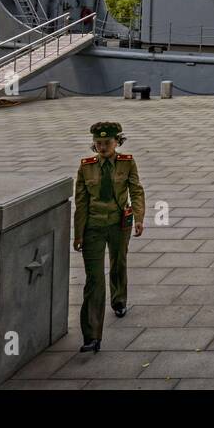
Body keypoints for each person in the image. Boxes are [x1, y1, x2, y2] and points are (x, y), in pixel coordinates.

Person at [73, 120, 145, 352]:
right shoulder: (86, 167)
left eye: (107, 142)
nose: (103, 147)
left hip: (118, 223)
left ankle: (119, 299)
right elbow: (81, 202)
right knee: (94, 280)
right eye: (98, 143)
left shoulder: (127, 163)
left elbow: (136, 190)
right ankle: (92, 335)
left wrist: (139, 217)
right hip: (93, 226)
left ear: (117, 142)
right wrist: (78, 234)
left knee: (118, 262)